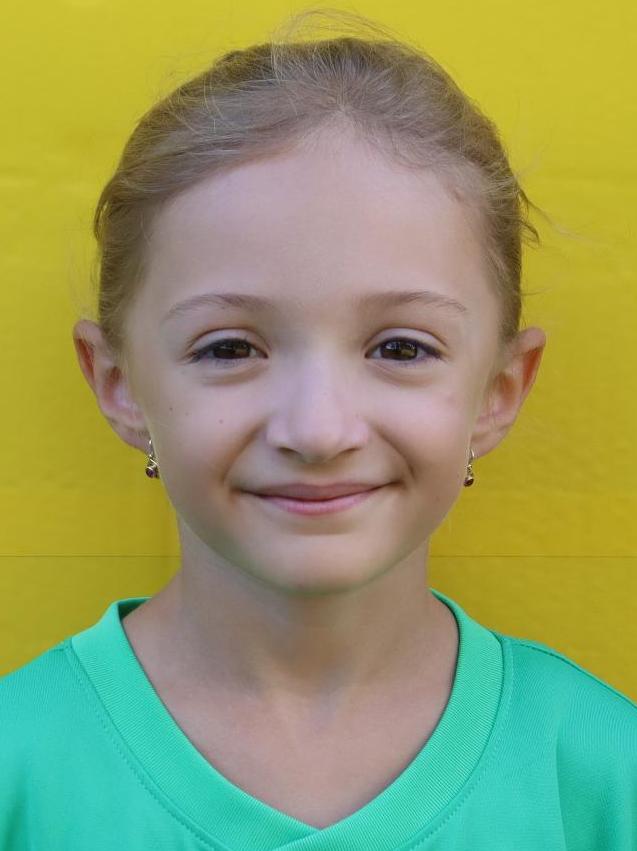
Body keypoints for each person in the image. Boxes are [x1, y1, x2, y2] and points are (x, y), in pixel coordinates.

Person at [1, 9, 635, 850]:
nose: (317, 429)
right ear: (119, 384)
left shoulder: (598, 772)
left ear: (498, 389)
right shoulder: (19, 767)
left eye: (400, 347)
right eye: (229, 348)